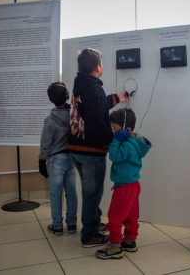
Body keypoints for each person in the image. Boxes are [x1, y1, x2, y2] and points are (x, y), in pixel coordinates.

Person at [69, 48, 128, 247]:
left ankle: (92, 223)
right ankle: (89, 235)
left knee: (89, 191)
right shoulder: (93, 88)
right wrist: (112, 141)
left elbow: (96, 106)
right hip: (90, 151)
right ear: (98, 67)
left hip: (77, 148)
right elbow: (96, 121)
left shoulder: (81, 85)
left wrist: (116, 98)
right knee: (92, 193)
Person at [95, 108, 151, 259]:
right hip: (133, 184)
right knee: (131, 215)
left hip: (124, 187)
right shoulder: (134, 142)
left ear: (126, 129)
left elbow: (114, 155)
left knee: (115, 216)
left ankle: (115, 246)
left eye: (114, 128)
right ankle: (130, 241)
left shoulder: (125, 145)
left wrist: (116, 139)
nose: (112, 131)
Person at [39, 82, 78, 235]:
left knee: (56, 193)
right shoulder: (74, 115)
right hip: (72, 157)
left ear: (51, 99)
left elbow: (45, 144)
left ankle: (57, 226)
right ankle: (72, 224)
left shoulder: (50, 120)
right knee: (71, 192)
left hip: (56, 159)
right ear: (66, 96)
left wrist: (41, 161)